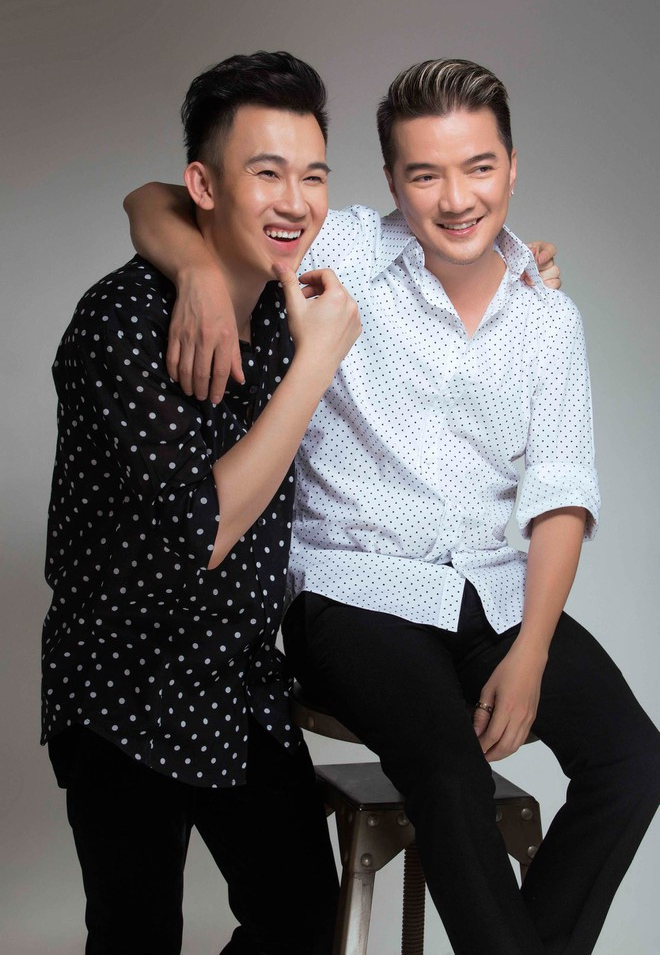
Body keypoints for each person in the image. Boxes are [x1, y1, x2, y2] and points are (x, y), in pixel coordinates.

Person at [124, 58, 660, 954]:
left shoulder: (547, 318)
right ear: (390, 181)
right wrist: (198, 272)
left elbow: (561, 495)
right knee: (448, 775)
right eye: (424, 174)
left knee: (633, 761)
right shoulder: (340, 250)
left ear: (513, 166)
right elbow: (156, 199)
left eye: (479, 167)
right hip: (353, 592)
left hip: (489, 589)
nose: (456, 199)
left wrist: (530, 653)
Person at [42, 50, 362, 955]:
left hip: (237, 682)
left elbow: (441, 234)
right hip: (124, 682)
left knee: (304, 925)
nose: (295, 201)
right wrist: (312, 364)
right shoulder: (118, 321)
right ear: (205, 186)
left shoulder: (291, 303)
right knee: (137, 935)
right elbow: (202, 531)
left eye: (313, 175)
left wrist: (523, 268)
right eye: (267, 173)